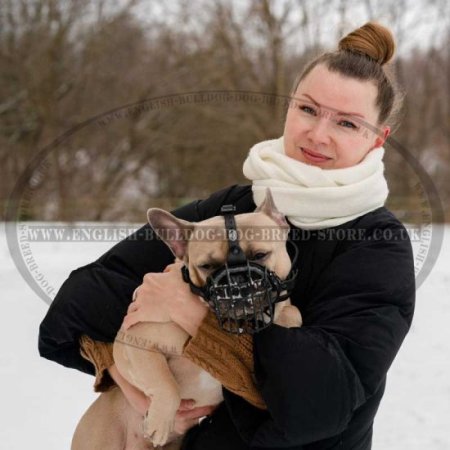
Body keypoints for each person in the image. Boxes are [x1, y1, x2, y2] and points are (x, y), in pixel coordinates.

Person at [38, 22, 415, 449]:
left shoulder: (378, 244)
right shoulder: (228, 208)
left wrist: (196, 315)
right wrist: (128, 373)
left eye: (347, 123)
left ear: (378, 138)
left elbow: (319, 404)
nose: (318, 134)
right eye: (307, 109)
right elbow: (73, 308)